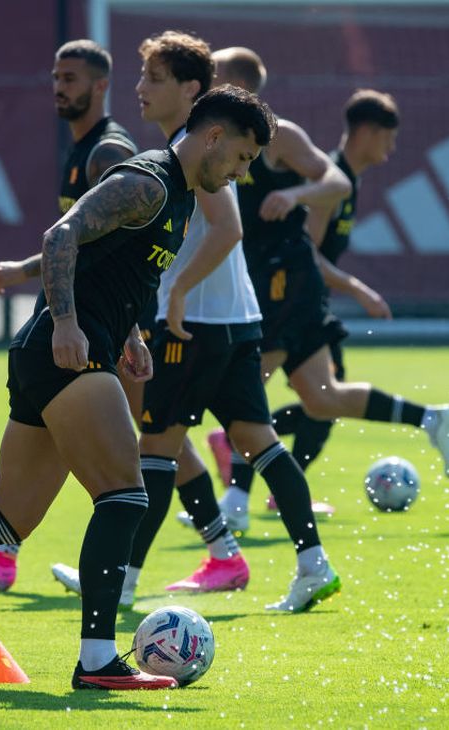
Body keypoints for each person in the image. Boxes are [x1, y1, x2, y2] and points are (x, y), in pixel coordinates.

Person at [0, 84, 275, 690]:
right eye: (242, 157)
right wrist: (65, 322)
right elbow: (62, 235)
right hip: (65, 350)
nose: (242, 173)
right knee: (125, 495)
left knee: (6, 520)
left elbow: (111, 262)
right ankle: (97, 661)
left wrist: (130, 334)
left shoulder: (182, 197)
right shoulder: (149, 180)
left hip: (64, 351)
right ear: (214, 136)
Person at [50, 35, 342, 613]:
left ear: (189, 91)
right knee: (256, 442)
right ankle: (313, 564)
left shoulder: (196, 150)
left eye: (153, 79)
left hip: (199, 324)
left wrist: (178, 291)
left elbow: (228, 228)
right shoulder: (185, 148)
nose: (140, 89)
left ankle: (122, 580)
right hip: (236, 319)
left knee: (156, 451)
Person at [213, 52, 449, 529]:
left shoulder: (278, 136)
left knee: (248, 386)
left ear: (236, 83)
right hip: (273, 282)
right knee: (323, 399)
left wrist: (294, 195)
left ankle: (237, 504)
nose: (203, 83)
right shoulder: (213, 141)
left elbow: (330, 187)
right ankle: (431, 419)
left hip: (286, 283)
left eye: (212, 75)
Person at [0, 40, 138, 593]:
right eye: (55, 77)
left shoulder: (107, 154)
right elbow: (76, 242)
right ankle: (3, 552)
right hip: (81, 324)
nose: (58, 87)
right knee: (135, 441)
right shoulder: (80, 150)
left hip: (94, 326)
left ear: (101, 85)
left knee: (157, 443)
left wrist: (130, 329)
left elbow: (120, 250)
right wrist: (25, 270)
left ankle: (213, 545)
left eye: (70, 78)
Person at [271, 89, 400, 479]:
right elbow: (307, 253)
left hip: (308, 302)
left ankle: (258, 469)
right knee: (326, 398)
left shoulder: (348, 182)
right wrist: (359, 290)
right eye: (388, 137)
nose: (392, 148)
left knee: (324, 399)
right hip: (294, 304)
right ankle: (253, 471)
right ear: (366, 132)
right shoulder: (330, 181)